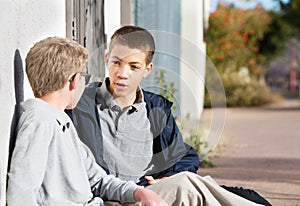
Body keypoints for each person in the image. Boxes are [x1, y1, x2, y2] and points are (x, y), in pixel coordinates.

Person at [67, 26, 272, 206]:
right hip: (106, 199)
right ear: (106, 59)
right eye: (116, 62)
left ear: (147, 70)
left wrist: (167, 177)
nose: (122, 73)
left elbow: (185, 156)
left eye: (133, 67)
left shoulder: (156, 109)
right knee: (188, 185)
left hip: (149, 196)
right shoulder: (81, 105)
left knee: (196, 184)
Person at [6, 36, 168, 206]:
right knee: (185, 188)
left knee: (183, 185)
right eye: (84, 76)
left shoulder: (61, 122)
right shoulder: (40, 120)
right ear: (74, 80)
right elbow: (20, 193)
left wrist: (138, 192)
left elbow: (98, 180)